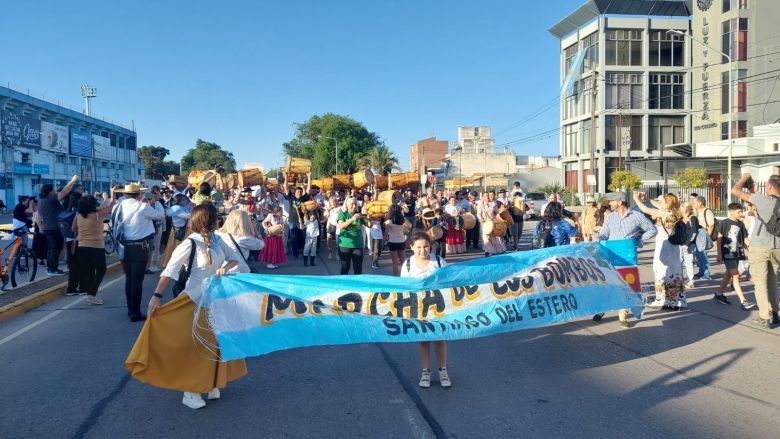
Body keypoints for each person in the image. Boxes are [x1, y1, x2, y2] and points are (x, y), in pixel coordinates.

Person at [126, 203, 246, 410]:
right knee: (195, 347)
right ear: (207, 221)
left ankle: (210, 383)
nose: (219, 220)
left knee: (217, 343)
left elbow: (235, 259)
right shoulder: (190, 244)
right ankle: (190, 391)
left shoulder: (218, 240)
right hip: (193, 300)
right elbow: (170, 271)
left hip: (216, 300)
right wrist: (156, 296)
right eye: (216, 217)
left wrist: (224, 268)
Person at [593, 191, 657, 328]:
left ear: (620, 202)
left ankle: (623, 315)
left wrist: (638, 241)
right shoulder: (610, 217)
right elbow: (604, 233)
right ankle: (602, 309)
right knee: (608, 282)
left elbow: (652, 230)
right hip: (610, 255)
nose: (610, 203)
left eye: (612, 201)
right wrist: (598, 238)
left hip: (628, 258)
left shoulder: (637, 216)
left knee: (626, 284)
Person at [401, 231, 451, 389]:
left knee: (440, 339)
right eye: (419, 247)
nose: (423, 250)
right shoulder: (407, 265)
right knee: (423, 340)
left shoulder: (438, 261)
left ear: (431, 246)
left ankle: (443, 371)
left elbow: (450, 281)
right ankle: (426, 372)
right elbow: (403, 289)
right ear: (411, 247)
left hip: (438, 306)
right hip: (418, 308)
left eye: (426, 246)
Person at [730, 173, 780, 328]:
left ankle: (765, 317)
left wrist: (744, 178)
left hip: (760, 247)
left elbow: (735, 191)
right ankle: (776, 313)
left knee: (759, 282)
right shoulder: (768, 201)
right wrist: (754, 191)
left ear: (770, 187)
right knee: (772, 280)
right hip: (777, 247)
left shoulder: (764, 201)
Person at [114, 183, 165, 322]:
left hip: (124, 246)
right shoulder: (143, 206)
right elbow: (160, 216)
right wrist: (150, 203)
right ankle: (134, 312)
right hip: (139, 247)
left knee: (129, 279)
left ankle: (130, 308)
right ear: (139, 194)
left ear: (125, 194)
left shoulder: (118, 206)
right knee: (137, 281)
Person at [634, 193, 687, 311]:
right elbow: (657, 205)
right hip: (673, 248)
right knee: (674, 272)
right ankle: (676, 301)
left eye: (663, 201)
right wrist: (648, 199)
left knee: (660, 272)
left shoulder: (664, 214)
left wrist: (636, 199)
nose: (660, 203)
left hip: (664, 247)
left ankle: (661, 299)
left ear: (668, 203)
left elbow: (645, 209)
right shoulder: (674, 213)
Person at [74, 190, 116, 305]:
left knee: (89, 272)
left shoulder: (79, 215)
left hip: (82, 246)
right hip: (96, 247)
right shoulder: (98, 215)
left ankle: (90, 295)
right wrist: (108, 196)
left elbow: (74, 228)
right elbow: (111, 205)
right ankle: (91, 295)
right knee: (101, 270)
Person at [714, 203, 755, 310]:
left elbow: (745, 239)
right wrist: (719, 254)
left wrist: (752, 249)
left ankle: (719, 294)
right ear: (731, 212)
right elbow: (719, 239)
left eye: (741, 211)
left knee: (728, 275)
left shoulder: (741, 224)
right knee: (735, 276)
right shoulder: (724, 223)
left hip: (739, 253)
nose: (741, 214)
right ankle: (743, 301)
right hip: (728, 254)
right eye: (739, 212)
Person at [38, 175, 80, 276]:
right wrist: (73, 181)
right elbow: (64, 192)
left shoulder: (42, 201)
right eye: (53, 189)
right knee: (55, 248)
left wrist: (40, 226)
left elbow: (38, 216)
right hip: (54, 228)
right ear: (50, 191)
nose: (55, 190)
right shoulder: (51, 198)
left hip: (48, 228)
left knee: (51, 249)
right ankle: (53, 269)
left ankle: (50, 268)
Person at [337, 197, 368, 275]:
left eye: (355, 204)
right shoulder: (343, 214)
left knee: (358, 269)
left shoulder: (359, 214)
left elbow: (369, 225)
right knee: (345, 268)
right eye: (352, 204)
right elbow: (341, 226)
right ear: (347, 205)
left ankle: (358, 286)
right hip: (345, 245)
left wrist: (370, 218)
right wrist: (352, 219)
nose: (354, 206)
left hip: (358, 244)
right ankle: (343, 286)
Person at [161, 194, 192, 268]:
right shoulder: (177, 210)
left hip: (180, 231)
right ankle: (173, 265)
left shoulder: (182, 208)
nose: (184, 201)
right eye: (182, 200)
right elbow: (187, 216)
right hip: (178, 232)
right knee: (176, 249)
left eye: (185, 199)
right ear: (178, 201)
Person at [692, 195, 716, 280]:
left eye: (695, 202)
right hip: (698, 233)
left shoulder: (707, 211)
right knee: (698, 254)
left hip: (703, 233)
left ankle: (706, 273)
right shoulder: (697, 211)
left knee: (703, 254)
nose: (693, 204)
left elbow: (711, 225)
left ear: (700, 203)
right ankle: (701, 271)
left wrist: (707, 237)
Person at [64, 192, 83, 296]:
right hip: (77, 241)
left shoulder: (67, 210)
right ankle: (79, 287)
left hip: (69, 240)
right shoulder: (78, 212)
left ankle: (71, 288)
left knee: (73, 266)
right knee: (79, 265)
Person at [679, 203, 699, 289]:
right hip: (679, 244)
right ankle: (680, 280)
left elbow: (694, 232)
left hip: (689, 245)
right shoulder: (680, 218)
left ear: (687, 210)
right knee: (679, 262)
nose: (680, 209)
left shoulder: (693, 218)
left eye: (682, 208)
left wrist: (687, 244)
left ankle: (691, 281)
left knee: (688, 263)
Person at [385, 205, 407, 276]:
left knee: (394, 261)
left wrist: (383, 242)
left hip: (392, 242)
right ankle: (405, 275)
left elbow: (386, 234)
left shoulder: (388, 222)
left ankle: (395, 277)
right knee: (403, 260)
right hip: (401, 241)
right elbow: (407, 230)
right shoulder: (403, 220)